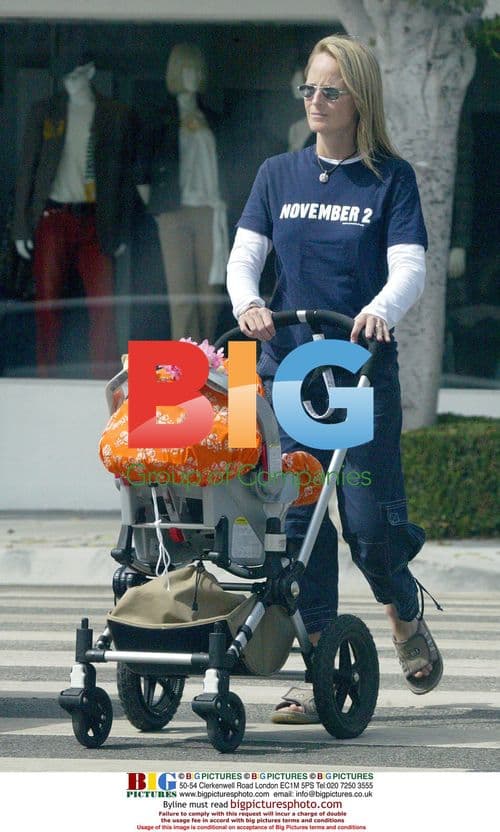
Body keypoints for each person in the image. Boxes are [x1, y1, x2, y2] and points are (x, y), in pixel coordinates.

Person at [226, 34, 443, 723]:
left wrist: (380, 311)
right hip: (289, 372)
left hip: (356, 372)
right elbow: (243, 258)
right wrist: (248, 304)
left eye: (330, 91)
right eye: (309, 89)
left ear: (359, 100)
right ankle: (319, 668)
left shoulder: (389, 179)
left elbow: (409, 266)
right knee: (300, 527)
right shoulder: (277, 174)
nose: (315, 101)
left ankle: (402, 609)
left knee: (367, 525)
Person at [13, 59, 136, 378]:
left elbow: (123, 177)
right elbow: (28, 168)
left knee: (103, 306)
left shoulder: (113, 114)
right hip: (53, 215)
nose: (69, 80)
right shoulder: (46, 111)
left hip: (96, 220)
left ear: (90, 72)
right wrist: (21, 226)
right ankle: (45, 378)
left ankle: (104, 381)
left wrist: (120, 230)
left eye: (76, 73)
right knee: (47, 305)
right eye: (65, 74)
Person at [137, 43, 228, 344]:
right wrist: (158, 208)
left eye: (196, 70)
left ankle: (209, 356)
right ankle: (184, 359)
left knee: (210, 294)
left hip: (210, 211)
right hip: (174, 212)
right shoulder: (159, 118)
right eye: (186, 70)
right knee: (181, 295)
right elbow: (142, 170)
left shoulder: (213, 119)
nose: (192, 76)